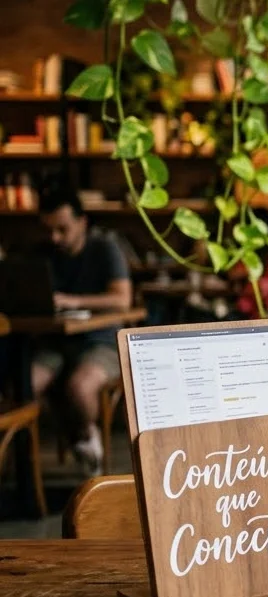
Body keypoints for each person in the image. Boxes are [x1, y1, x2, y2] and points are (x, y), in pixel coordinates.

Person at [34, 188, 132, 473]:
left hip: (102, 340)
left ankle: (88, 440)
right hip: (56, 342)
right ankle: (76, 438)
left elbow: (122, 299)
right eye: (49, 230)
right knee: (28, 383)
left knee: (79, 386)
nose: (55, 238)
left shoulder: (105, 248)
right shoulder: (43, 253)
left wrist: (71, 300)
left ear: (83, 222)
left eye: (63, 229)